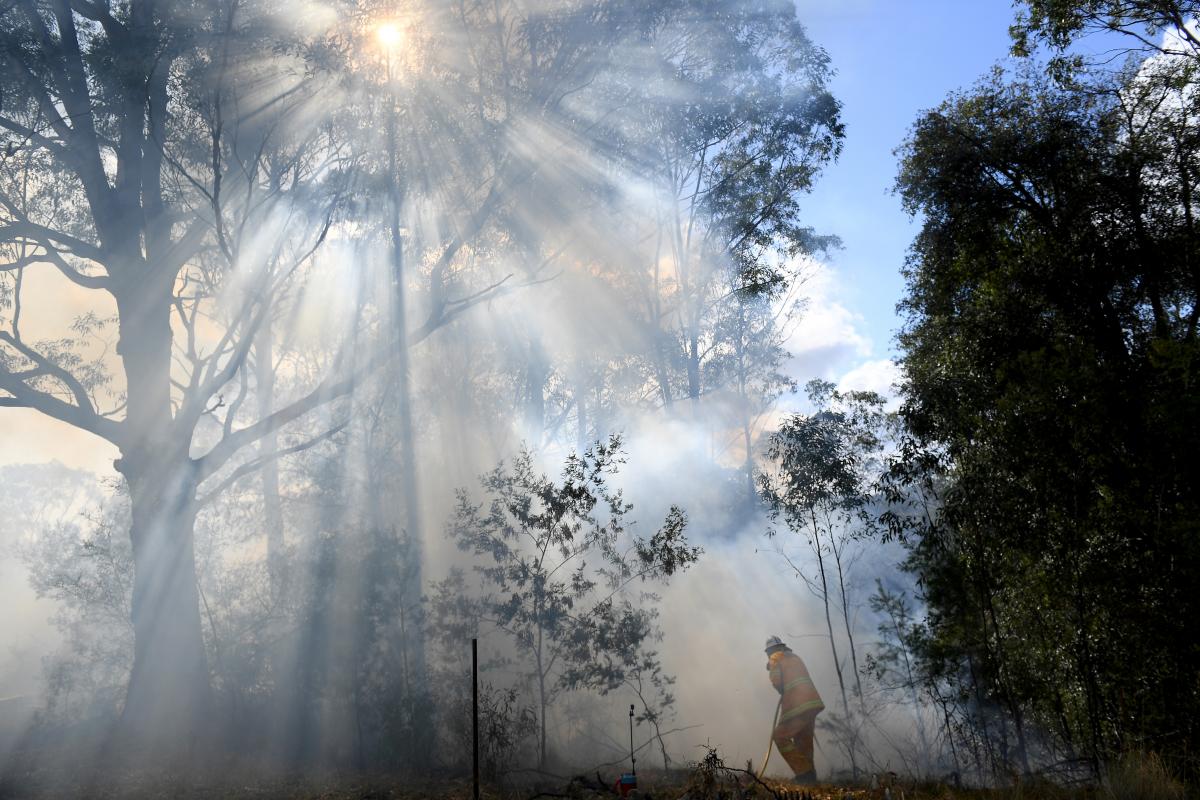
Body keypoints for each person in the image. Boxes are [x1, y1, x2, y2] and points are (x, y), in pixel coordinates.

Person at [765, 635, 824, 784]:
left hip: (796, 704)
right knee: (803, 739)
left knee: (780, 736)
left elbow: (777, 680)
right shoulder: (795, 657)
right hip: (811, 703)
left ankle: (804, 774)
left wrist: (779, 685)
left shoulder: (775, 658)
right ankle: (810, 778)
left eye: (768, 652)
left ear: (771, 650)